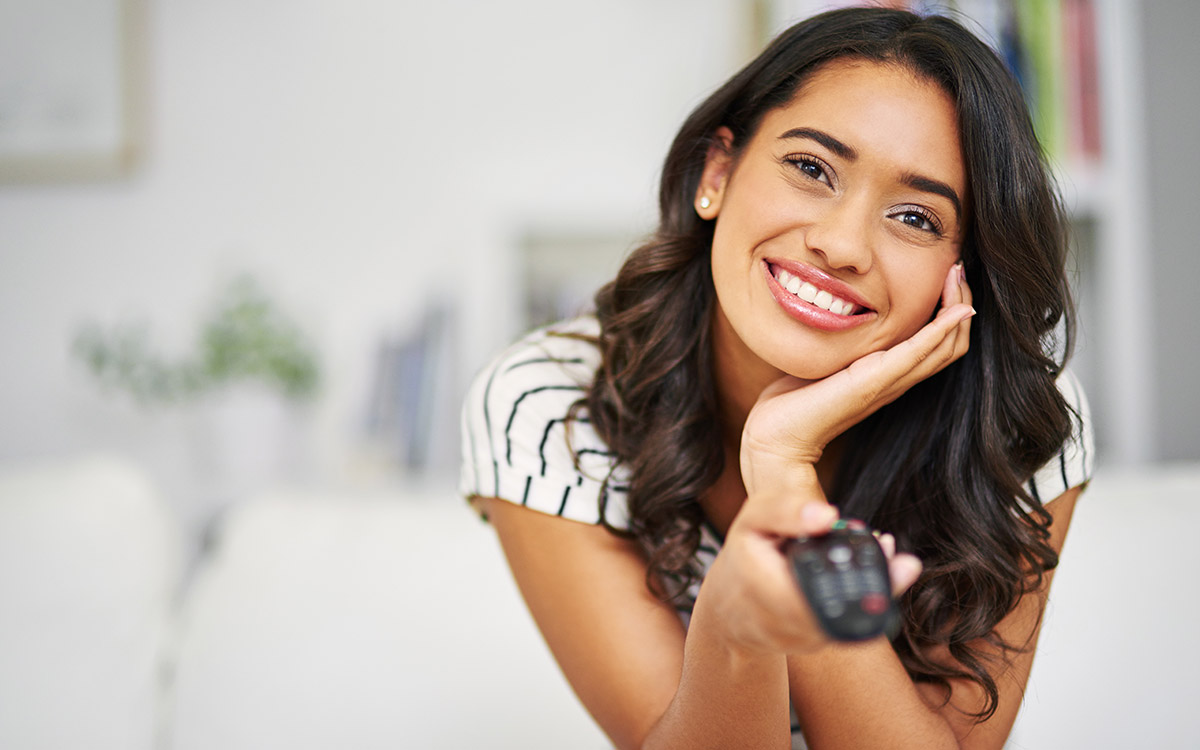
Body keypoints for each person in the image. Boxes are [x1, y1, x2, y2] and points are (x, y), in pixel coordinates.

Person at [459, 6, 1093, 749]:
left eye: (916, 218)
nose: (841, 244)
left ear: (965, 275)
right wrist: (739, 629)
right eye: (811, 169)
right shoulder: (548, 407)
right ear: (717, 172)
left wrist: (784, 472)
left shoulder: (1020, 424)